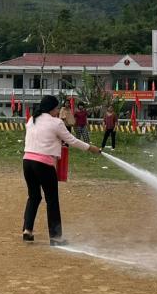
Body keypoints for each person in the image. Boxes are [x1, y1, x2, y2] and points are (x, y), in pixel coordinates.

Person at [21, 95, 101, 246]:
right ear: (51, 108)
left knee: (33, 197)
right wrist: (90, 148)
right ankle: (56, 237)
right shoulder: (56, 123)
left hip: (27, 162)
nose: (58, 111)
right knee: (52, 200)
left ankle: (27, 231)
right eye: (57, 108)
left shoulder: (32, 119)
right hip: (43, 164)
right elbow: (71, 140)